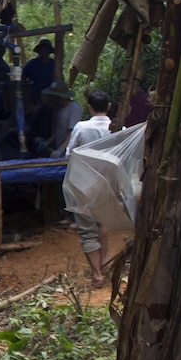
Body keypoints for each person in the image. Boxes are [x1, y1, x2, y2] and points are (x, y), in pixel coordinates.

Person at [66, 89, 116, 287]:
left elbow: (70, 154)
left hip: (83, 182)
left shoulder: (81, 127)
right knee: (102, 223)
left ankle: (96, 275)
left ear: (89, 107)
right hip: (108, 181)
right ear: (109, 106)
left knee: (87, 230)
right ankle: (104, 262)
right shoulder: (118, 126)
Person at [44, 82, 82, 156]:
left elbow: (72, 132)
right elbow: (58, 127)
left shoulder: (74, 108)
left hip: (66, 151)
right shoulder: (60, 108)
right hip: (58, 146)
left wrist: (61, 148)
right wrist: (48, 141)